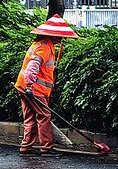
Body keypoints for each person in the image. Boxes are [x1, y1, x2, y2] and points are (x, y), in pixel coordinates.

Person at [14, 15, 79, 156]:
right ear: (52, 35)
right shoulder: (44, 48)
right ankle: (46, 148)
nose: (62, 38)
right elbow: (32, 67)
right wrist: (30, 87)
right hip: (33, 89)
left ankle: (26, 147)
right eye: (60, 36)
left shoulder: (41, 44)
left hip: (23, 87)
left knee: (30, 117)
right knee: (44, 116)